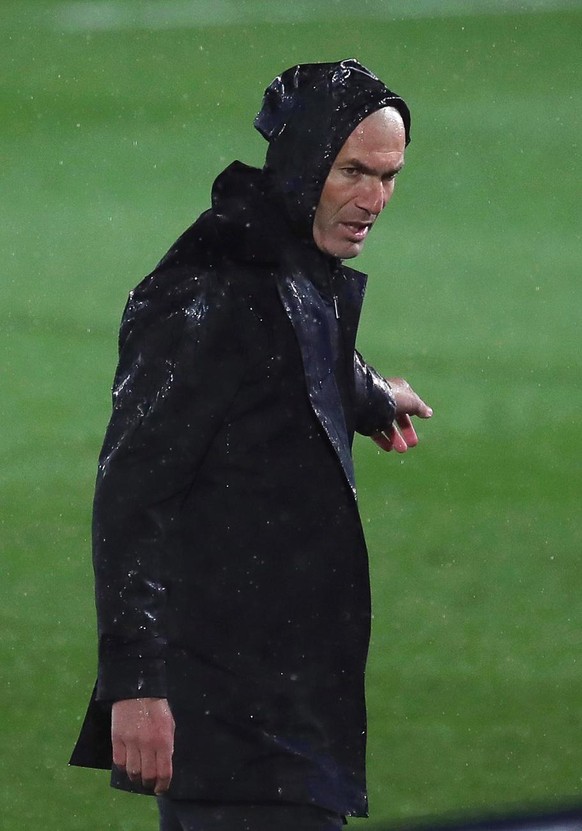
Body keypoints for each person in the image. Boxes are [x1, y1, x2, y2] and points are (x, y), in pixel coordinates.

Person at [70, 59, 433, 830]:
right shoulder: (209, 291)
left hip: (285, 704)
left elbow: (297, 340)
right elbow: (134, 491)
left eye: (390, 175)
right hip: (231, 713)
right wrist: (136, 684)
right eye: (354, 172)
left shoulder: (284, 252)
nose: (374, 200)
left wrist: (365, 393)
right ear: (304, 160)